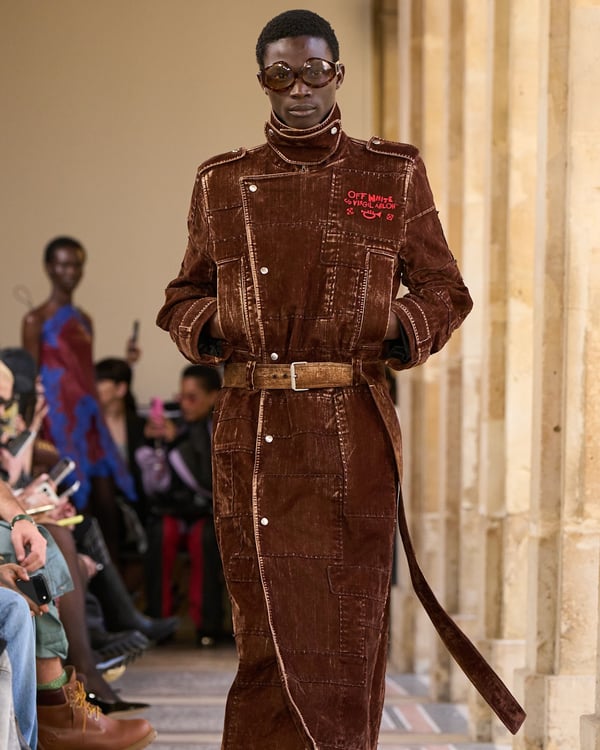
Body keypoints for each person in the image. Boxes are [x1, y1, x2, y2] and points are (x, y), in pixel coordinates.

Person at [156, 10, 524, 749]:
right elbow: (180, 300)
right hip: (251, 434)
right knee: (263, 634)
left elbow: (446, 292)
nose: (299, 88)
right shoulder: (222, 180)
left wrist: (380, 321)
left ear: (338, 74)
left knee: (347, 634)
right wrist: (229, 317)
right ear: (262, 80)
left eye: (314, 71)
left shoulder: (390, 173)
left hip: (352, 431)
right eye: (281, 74)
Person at [21, 236, 137, 562]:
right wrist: (31, 434)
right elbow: (30, 381)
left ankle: (114, 582)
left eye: (75, 265)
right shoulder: (35, 320)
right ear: (49, 268)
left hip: (88, 420)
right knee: (74, 503)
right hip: (57, 423)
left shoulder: (84, 319)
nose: (69, 272)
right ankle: (85, 581)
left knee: (107, 503)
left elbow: (84, 371)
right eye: (62, 264)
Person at [144, 365, 227, 646]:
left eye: (192, 398)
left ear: (213, 396)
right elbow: (154, 487)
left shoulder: (222, 428)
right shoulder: (172, 423)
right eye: (182, 397)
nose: (185, 405)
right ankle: (159, 622)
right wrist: (152, 446)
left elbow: (207, 482)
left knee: (205, 538)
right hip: (173, 510)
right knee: (161, 533)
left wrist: (176, 442)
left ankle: (208, 626)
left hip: (207, 511)